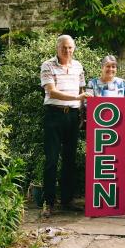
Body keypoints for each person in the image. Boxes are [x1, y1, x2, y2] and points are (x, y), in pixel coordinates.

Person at [40, 34, 92, 217]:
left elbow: (82, 91)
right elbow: (51, 91)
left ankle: (67, 201)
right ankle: (49, 203)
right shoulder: (47, 65)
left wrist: (83, 116)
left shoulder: (78, 66)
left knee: (70, 160)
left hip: (72, 116)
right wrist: (77, 98)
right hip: (54, 115)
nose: (67, 51)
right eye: (64, 47)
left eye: (70, 47)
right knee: (51, 160)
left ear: (74, 48)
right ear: (57, 48)